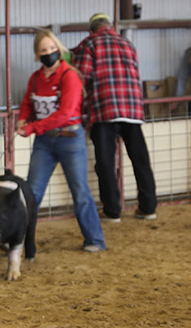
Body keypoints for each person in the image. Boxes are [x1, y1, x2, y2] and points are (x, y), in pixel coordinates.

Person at [18, 31, 106, 252]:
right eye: (43, 50)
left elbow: (65, 113)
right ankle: (20, 239)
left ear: (59, 49)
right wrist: (21, 119)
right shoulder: (36, 78)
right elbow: (28, 102)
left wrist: (32, 127)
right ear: (37, 55)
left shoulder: (70, 76)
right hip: (44, 142)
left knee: (80, 191)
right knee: (32, 193)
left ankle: (95, 239)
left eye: (51, 48)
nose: (49, 53)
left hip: (69, 138)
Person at [71, 13, 157, 221]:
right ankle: (148, 207)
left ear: (92, 30)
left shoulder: (89, 44)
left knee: (106, 162)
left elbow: (81, 77)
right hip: (132, 109)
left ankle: (112, 211)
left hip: (104, 109)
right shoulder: (128, 44)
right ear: (109, 26)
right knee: (140, 159)